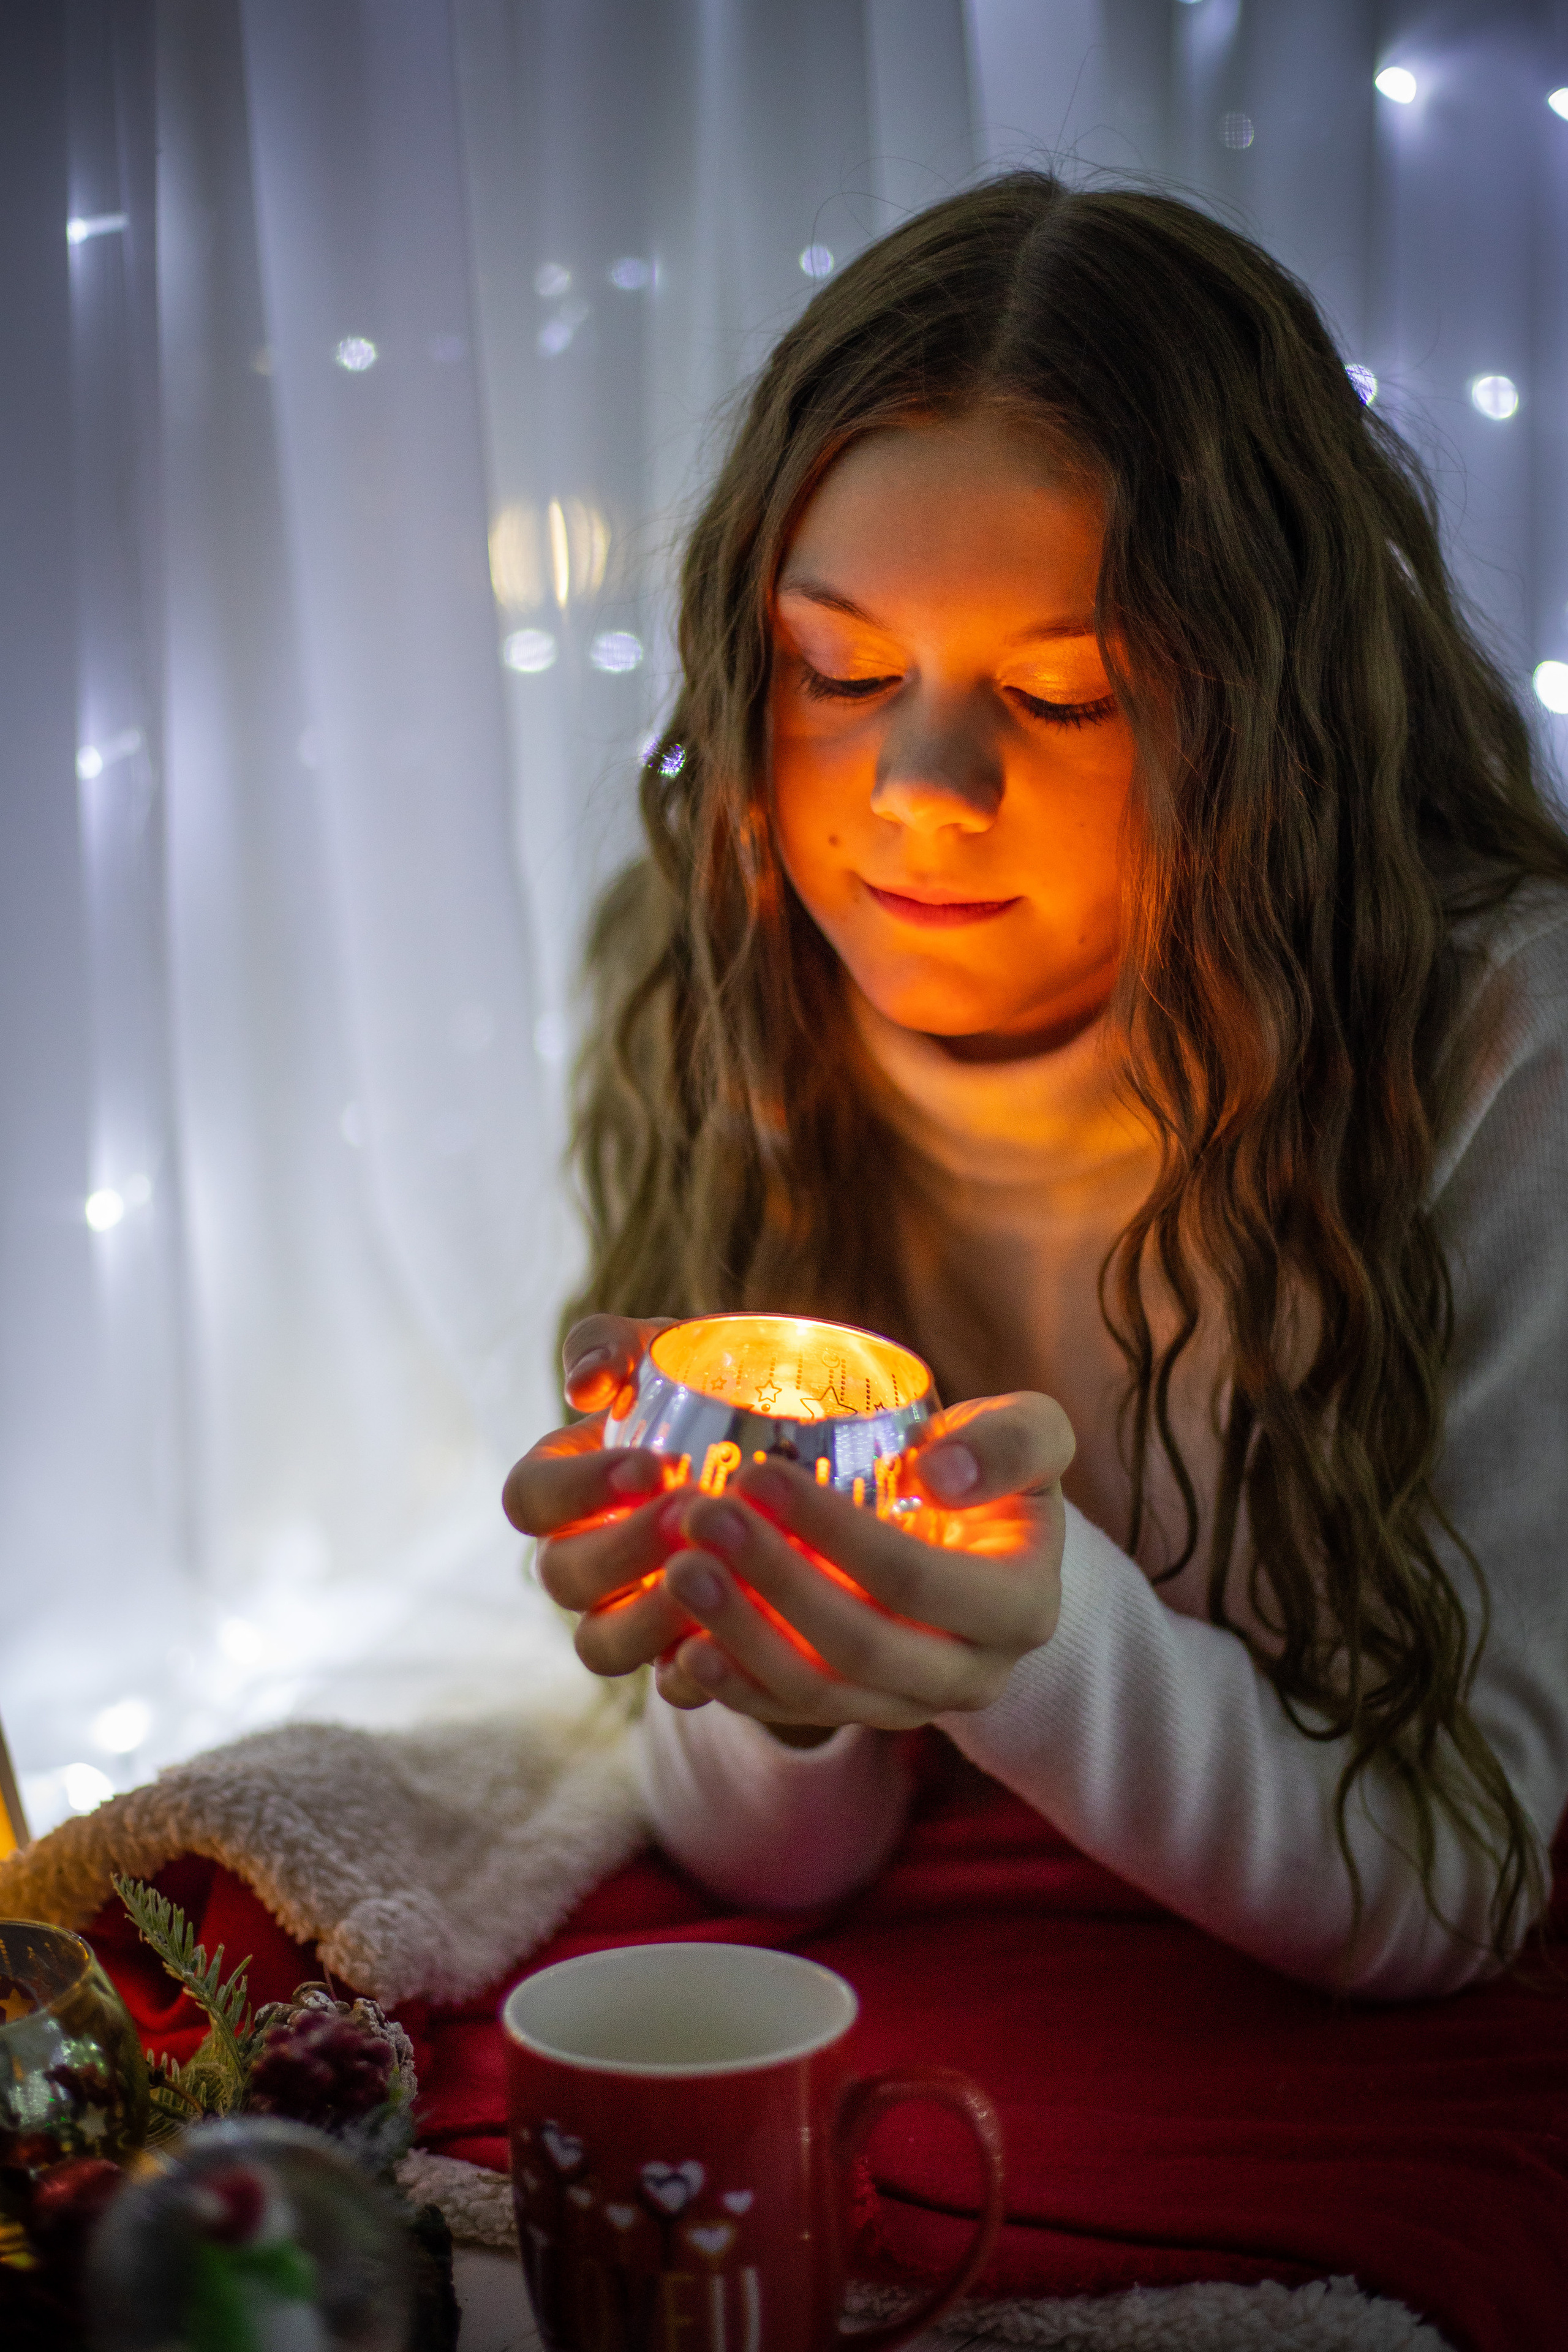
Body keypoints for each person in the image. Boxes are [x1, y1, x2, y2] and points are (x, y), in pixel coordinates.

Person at [503, 172, 1568, 2000]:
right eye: (837, 668)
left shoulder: (1495, 1050)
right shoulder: (717, 979)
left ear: (1274, 725)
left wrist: (1030, 1632)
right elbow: (777, 1858)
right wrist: (759, 1638)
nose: (920, 785)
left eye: (1066, 696)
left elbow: (1453, 1875)